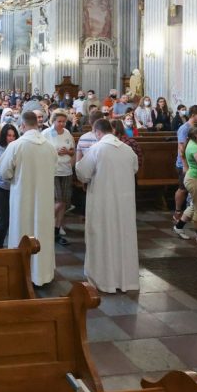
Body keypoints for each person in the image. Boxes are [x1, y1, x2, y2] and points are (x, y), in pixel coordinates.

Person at [75, 119, 140, 293]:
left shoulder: (97, 149)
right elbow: (134, 168)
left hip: (103, 203)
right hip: (124, 203)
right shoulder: (127, 149)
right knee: (123, 237)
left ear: (97, 132)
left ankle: (104, 281)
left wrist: (77, 163)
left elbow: (82, 173)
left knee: (103, 237)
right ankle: (125, 280)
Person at [0, 111, 58, 287]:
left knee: (21, 231)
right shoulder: (49, 146)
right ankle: (42, 274)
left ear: (22, 125)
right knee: (42, 232)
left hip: (22, 198)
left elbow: (3, 172)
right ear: (37, 124)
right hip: (44, 200)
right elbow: (53, 168)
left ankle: (21, 274)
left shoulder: (16, 145)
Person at [42, 110, 75, 245]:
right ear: (53, 121)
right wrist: (55, 152)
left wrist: (67, 151)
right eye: (59, 121)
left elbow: (72, 151)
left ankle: (56, 231)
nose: (61, 124)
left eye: (64, 122)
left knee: (64, 203)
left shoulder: (67, 133)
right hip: (53, 171)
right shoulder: (46, 133)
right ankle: (44, 224)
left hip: (66, 170)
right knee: (59, 201)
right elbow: (42, 152)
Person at [174, 105, 197, 223]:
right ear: (193, 115)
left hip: (195, 162)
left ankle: (195, 214)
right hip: (184, 164)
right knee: (183, 189)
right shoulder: (184, 128)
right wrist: (184, 165)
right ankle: (177, 212)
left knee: (196, 189)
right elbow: (181, 148)